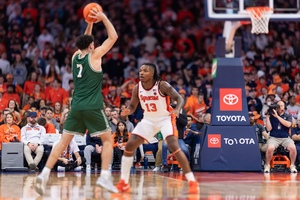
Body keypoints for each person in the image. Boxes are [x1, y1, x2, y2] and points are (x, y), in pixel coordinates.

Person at [35, 7, 118, 195]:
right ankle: (105, 177)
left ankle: (43, 175)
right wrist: (104, 18)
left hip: (76, 106)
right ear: (91, 46)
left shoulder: (75, 57)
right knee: (107, 140)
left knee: (63, 142)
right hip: (93, 106)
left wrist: (89, 22)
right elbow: (113, 38)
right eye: (93, 44)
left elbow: (85, 40)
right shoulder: (95, 56)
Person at [115, 63, 199, 193]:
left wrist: (177, 109)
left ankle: (192, 181)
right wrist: (128, 111)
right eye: (140, 70)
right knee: (129, 145)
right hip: (148, 120)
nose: (141, 73)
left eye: (145, 71)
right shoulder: (137, 88)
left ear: (152, 73)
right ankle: (124, 182)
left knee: (173, 145)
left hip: (165, 118)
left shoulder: (162, 85)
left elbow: (179, 98)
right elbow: (132, 106)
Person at [264, 100, 297, 173]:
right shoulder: (272, 116)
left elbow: (288, 125)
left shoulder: (288, 116)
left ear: (284, 107)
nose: (279, 107)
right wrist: (267, 117)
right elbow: (269, 129)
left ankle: (292, 165)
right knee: (270, 148)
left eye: (281, 105)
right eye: (278, 105)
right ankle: (267, 165)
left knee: (293, 148)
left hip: (285, 138)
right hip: (273, 137)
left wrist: (277, 117)